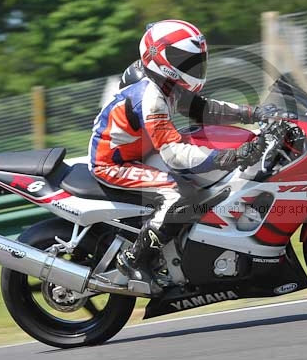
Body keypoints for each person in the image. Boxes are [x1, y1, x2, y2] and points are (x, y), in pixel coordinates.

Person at [88, 19, 268, 285]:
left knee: (201, 184)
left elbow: (206, 110)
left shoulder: (165, 84)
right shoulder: (151, 96)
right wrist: (232, 156)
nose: (192, 67)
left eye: (195, 60)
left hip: (142, 151)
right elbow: (174, 153)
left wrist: (254, 113)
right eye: (184, 61)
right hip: (114, 162)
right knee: (177, 195)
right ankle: (134, 259)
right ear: (158, 57)